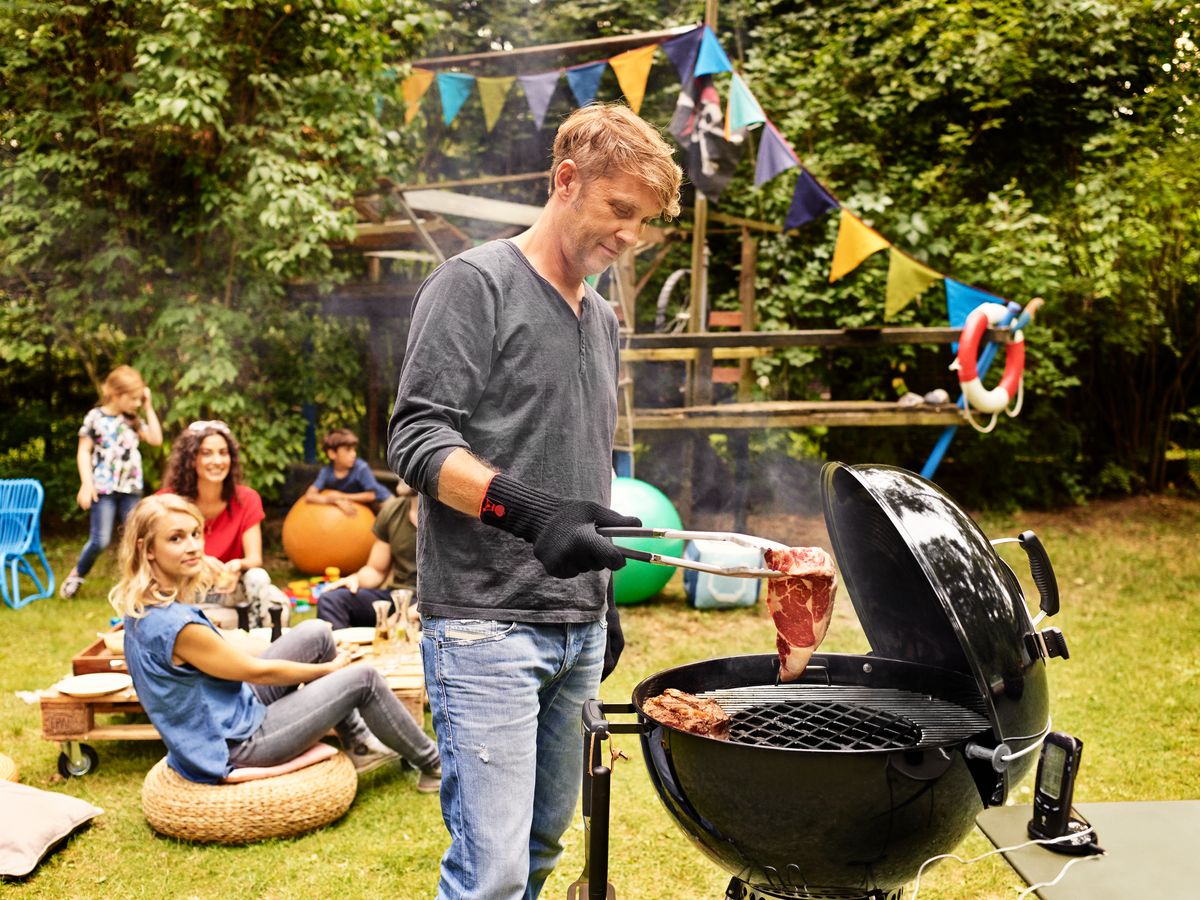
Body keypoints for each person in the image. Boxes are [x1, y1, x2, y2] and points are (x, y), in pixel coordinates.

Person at [387, 103, 682, 900]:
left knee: (544, 845)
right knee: (494, 872)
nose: (630, 235)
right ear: (566, 180)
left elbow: (585, 464)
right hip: (485, 623)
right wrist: (532, 514)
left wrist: (603, 600)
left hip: (577, 627)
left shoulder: (604, 319)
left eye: (644, 222)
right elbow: (416, 439)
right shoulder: (475, 284)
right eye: (619, 209)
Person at [108, 493, 441, 785]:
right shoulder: (177, 626)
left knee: (316, 632)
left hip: (229, 710)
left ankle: (359, 744)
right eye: (176, 539)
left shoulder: (148, 607)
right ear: (147, 550)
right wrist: (329, 670)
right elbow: (258, 672)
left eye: (195, 534)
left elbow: (226, 654)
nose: (193, 546)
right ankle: (434, 763)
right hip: (236, 743)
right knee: (363, 678)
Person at [159, 420, 287, 629]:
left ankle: (257, 639)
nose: (217, 461)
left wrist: (238, 566)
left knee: (266, 588)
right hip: (185, 586)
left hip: (230, 588)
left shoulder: (246, 499)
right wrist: (198, 560)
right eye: (206, 453)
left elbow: (254, 559)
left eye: (223, 453)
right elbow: (156, 558)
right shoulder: (167, 502)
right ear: (191, 459)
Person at [61, 365, 163, 599]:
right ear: (117, 394)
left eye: (139, 399)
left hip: (131, 488)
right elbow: (83, 451)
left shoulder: (133, 419)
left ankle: (139, 585)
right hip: (103, 489)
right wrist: (86, 483)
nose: (137, 403)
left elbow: (156, 439)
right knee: (100, 539)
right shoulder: (95, 417)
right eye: (133, 398)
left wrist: (148, 407)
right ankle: (77, 575)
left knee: (136, 539)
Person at [316, 481, 418, 631]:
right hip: (398, 597)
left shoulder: (452, 515)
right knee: (331, 600)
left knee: (430, 627)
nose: (400, 471)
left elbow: (456, 594)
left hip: (440, 608)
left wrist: (408, 614)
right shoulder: (392, 511)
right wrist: (356, 579)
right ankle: (342, 646)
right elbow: (377, 570)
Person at [304, 428, 391, 515]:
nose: (354, 454)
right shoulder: (326, 472)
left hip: (382, 502)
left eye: (354, 450)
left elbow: (371, 495)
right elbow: (310, 495)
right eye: (348, 450)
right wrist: (332, 500)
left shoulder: (361, 468)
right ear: (332, 454)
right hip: (360, 507)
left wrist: (341, 496)